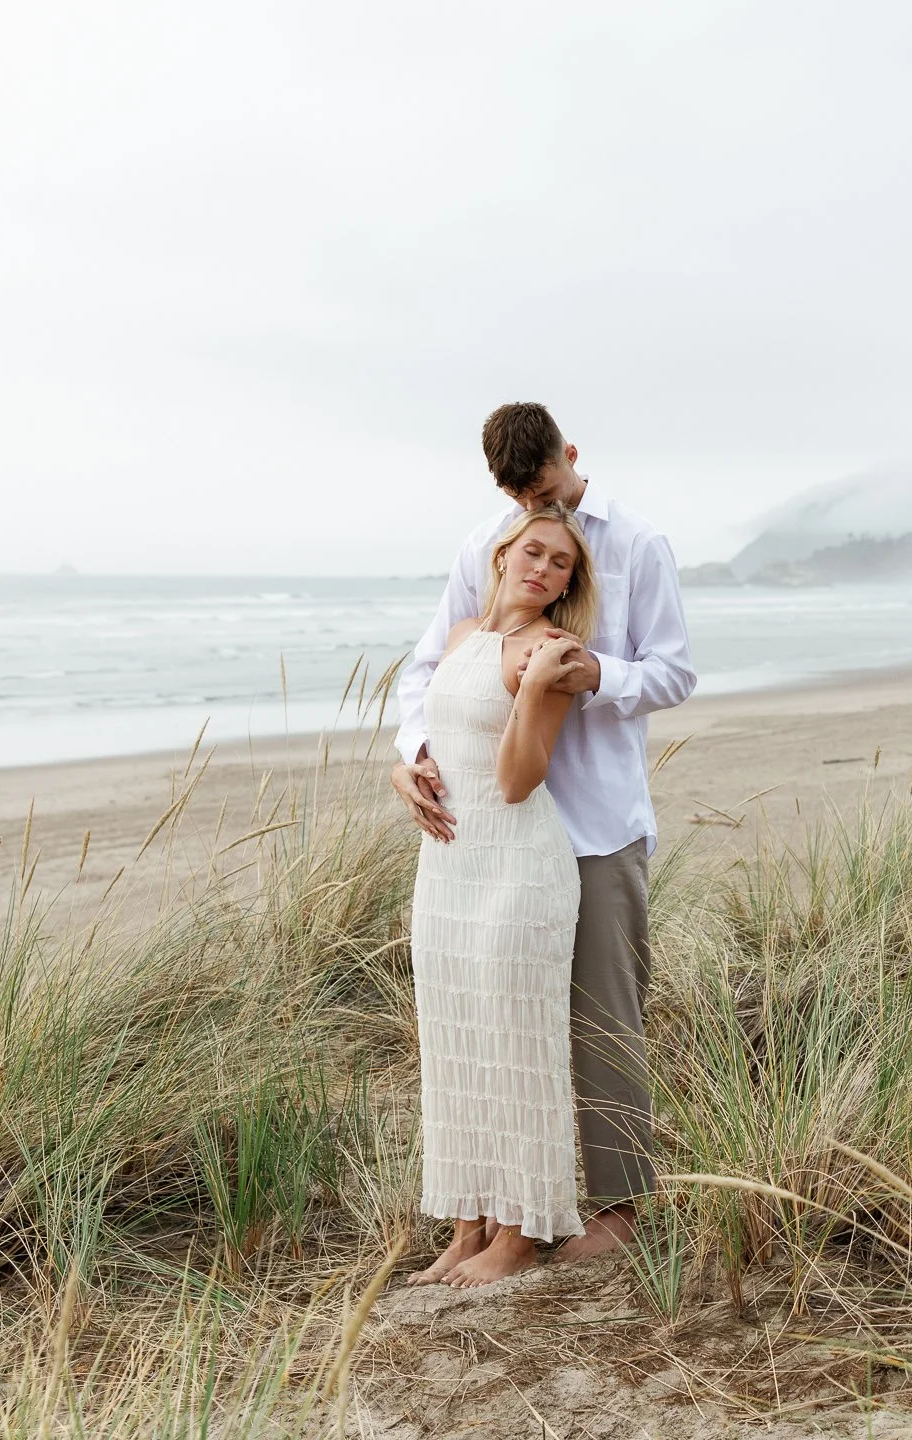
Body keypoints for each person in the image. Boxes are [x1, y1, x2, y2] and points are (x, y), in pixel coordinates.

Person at [394, 402, 696, 1281]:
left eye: (546, 487)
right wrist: (411, 754)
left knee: (602, 1013)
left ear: (571, 453)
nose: (539, 511)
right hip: (485, 831)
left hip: (592, 818)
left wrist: (593, 673)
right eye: (521, 501)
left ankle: (618, 1207)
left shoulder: (637, 543)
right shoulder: (489, 545)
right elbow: (431, 666)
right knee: (490, 1022)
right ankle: (493, 1212)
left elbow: (674, 670)